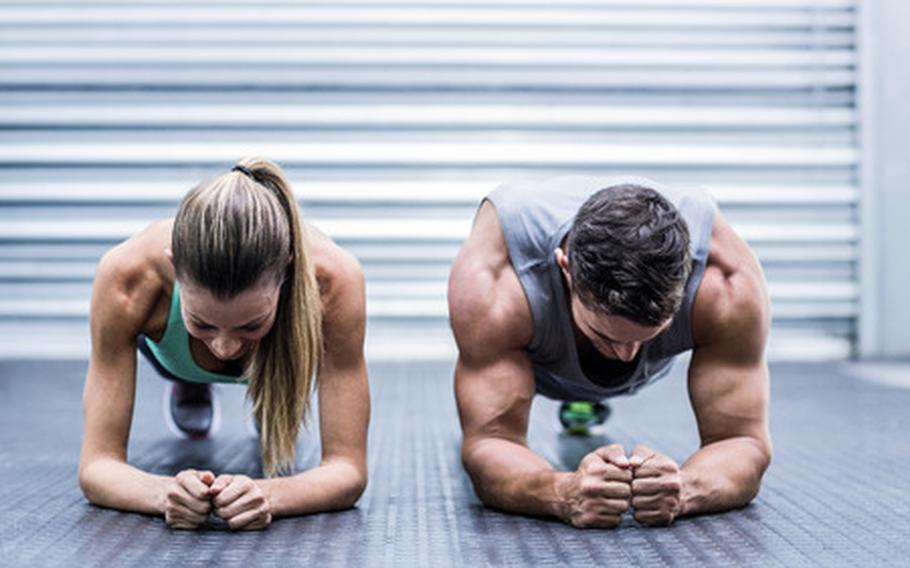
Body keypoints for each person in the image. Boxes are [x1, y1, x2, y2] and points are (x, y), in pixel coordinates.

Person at [448, 175, 771, 528]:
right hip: (542, 354)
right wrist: (561, 492)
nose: (626, 356)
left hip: (588, 331)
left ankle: (591, 370)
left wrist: (687, 488)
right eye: (605, 335)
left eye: (648, 335)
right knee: (516, 371)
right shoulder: (497, 284)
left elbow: (743, 441)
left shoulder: (725, 284)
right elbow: (490, 442)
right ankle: (579, 389)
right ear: (565, 267)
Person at [79, 157, 370, 530]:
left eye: (250, 325)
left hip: (282, 351)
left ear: (286, 273)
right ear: (175, 267)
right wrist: (164, 493)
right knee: (201, 346)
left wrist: (269, 494)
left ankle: (267, 384)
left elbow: (348, 470)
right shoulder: (128, 277)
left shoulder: (334, 280)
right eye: (202, 323)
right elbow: (96, 466)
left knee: (275, 425)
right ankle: (189, 378)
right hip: (171, 355)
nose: (225, 348)